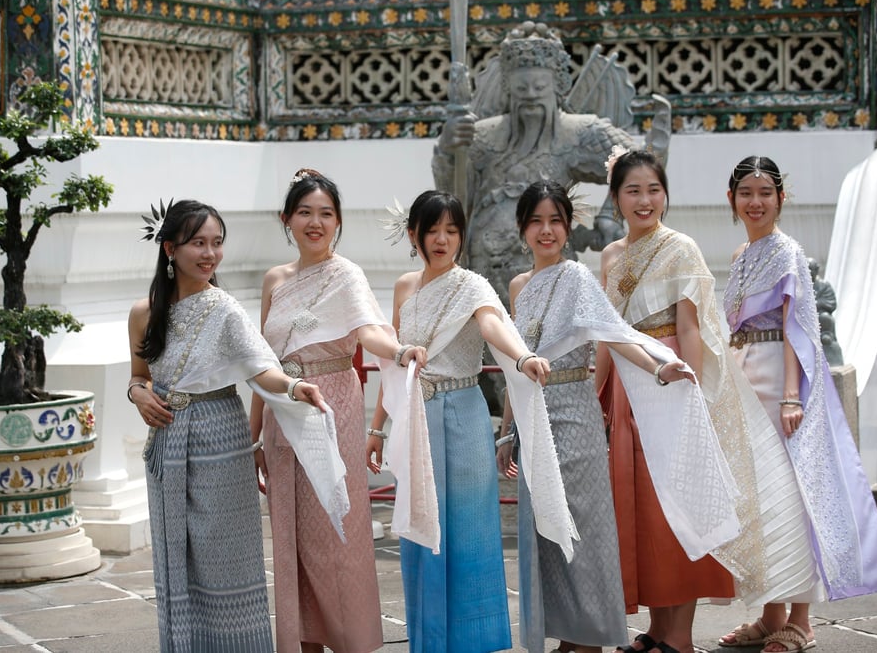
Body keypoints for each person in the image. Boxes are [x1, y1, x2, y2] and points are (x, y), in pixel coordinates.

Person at [597, 150, 826, 653]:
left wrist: (695, 395)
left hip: (677, 379)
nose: (644, 199)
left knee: (682, 508)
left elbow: (691, 326)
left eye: (653, 189)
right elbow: (608, 331)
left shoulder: (683, 248)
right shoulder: (613, 257)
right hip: (633, 383)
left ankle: (686, 634)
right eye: (632, 190)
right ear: (615, 198)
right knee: (641, 508)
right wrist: (599, 393)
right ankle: (663, 629)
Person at [495, 181, 701, 653]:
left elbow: (615, 333)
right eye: (536, 222)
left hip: (575, 415)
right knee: (545, 530)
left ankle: (587, 640)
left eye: (556, 221)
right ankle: (566, 633)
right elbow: (514, 362)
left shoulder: (580, 279)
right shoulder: (517, 287)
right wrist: (507, 430)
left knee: (581, 527)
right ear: (522, 228)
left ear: (568, 227)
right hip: (532, 418)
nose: (546, 231)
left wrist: (658, 366)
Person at [366, 189, 560, 653]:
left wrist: (522, 355)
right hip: (415, 417)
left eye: (452, 230)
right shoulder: (403, 287)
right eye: (432, 229)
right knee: (421, 527)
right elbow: (395, 367)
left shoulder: (472, 285)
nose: (442, 239)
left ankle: (474, 641)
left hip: (467, 414)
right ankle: (429, 641)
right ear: (413, 233)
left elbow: (494, 326)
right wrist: (376, 428)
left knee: (471, 527)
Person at [127, 199, 326, 653]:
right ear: (169, 248)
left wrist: (295, 389)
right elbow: (138, 376)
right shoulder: (144, 312)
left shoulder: (226, 310)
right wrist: (138, 393)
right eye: (199, 243)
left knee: (225, 559)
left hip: (220, 433)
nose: (210, 254)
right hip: (167, 439)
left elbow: (263, 370)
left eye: (217, 243)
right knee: (173, 555)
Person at [719, 156, 877, 653]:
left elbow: (799, 330)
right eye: (746, 193)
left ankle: (801, 620)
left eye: (765, 193)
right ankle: (771, 613)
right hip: (747, 376)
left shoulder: (788, 253)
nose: (755, 202)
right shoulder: (741, 255)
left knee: (794, 495)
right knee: (761, 498)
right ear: (732, 198)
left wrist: (793, 397)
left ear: (781, 198)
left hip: (780, 379)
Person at [249, 169, 427, 653]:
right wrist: (254, 438)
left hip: (335, 408)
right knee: (292, 538)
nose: (315, 222)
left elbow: (369, 332)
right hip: (283, 413)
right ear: (286, 219)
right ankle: (304, 640)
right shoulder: (275, 280)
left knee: (337, 530)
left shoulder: (347, 274)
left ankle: (349, 639)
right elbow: (263, 362)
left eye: (326, 213)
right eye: (305, 212)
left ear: (338, 222)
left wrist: (400, 350)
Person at [433, 22, 633, 305]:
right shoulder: (481, 134)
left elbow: (641, 160)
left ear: (557, 86)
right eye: (521, 87)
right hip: (484, 267)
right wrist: (447, 150)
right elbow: (454, 197)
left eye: (539, 86)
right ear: (507, 88)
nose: (530, 94)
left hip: (550, 267)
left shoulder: (577, 132)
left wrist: (610, 215)